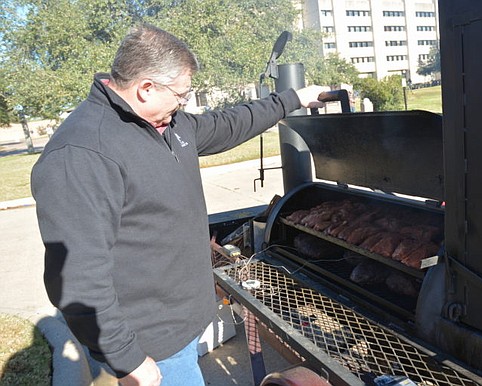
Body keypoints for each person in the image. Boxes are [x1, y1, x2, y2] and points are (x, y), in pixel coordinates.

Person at [31, 23, 325, 386]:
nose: (184, 103)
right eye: (181, 95)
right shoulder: (82, 154)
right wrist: (127, 358)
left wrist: (292, 99)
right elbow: (76, 277)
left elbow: (228, 124)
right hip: (149, 342)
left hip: (180, 322)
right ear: (146, 88)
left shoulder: (167, 122)